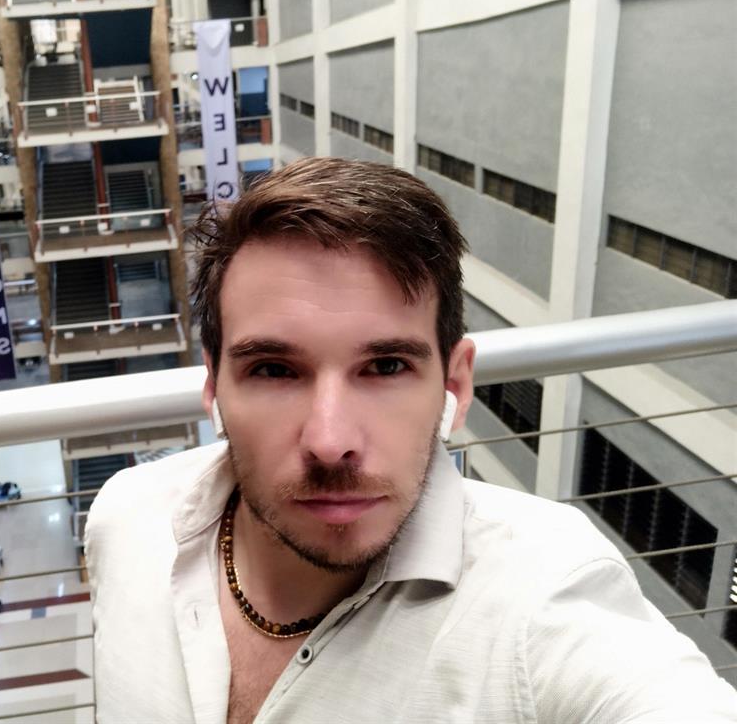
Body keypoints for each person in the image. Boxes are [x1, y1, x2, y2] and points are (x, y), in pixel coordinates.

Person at [84, 158, 737, 723]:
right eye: (275, 370)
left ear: (454, 383)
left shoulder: (544, 597)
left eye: (387, 366)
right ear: (214, 384)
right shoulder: (126, 518)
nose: (330, 441)